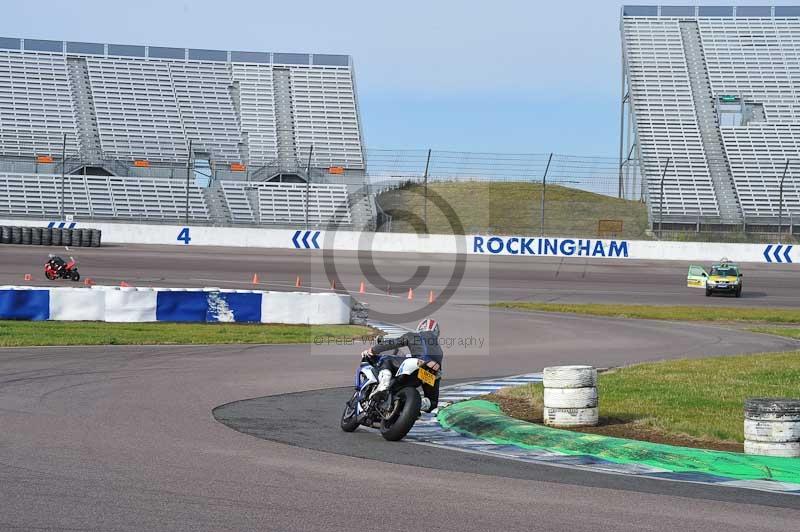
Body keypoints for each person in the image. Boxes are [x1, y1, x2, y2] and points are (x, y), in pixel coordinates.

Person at [361, 318, 443, 413]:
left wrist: (373, 350)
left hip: (418, 363)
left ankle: (384, 382)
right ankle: (419, 404)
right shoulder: (439, 348)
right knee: (432, 403)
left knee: (386, 360)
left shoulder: (413, 336)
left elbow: (393, 343)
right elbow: (436, 369)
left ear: (420, 328)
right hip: (431, 372)